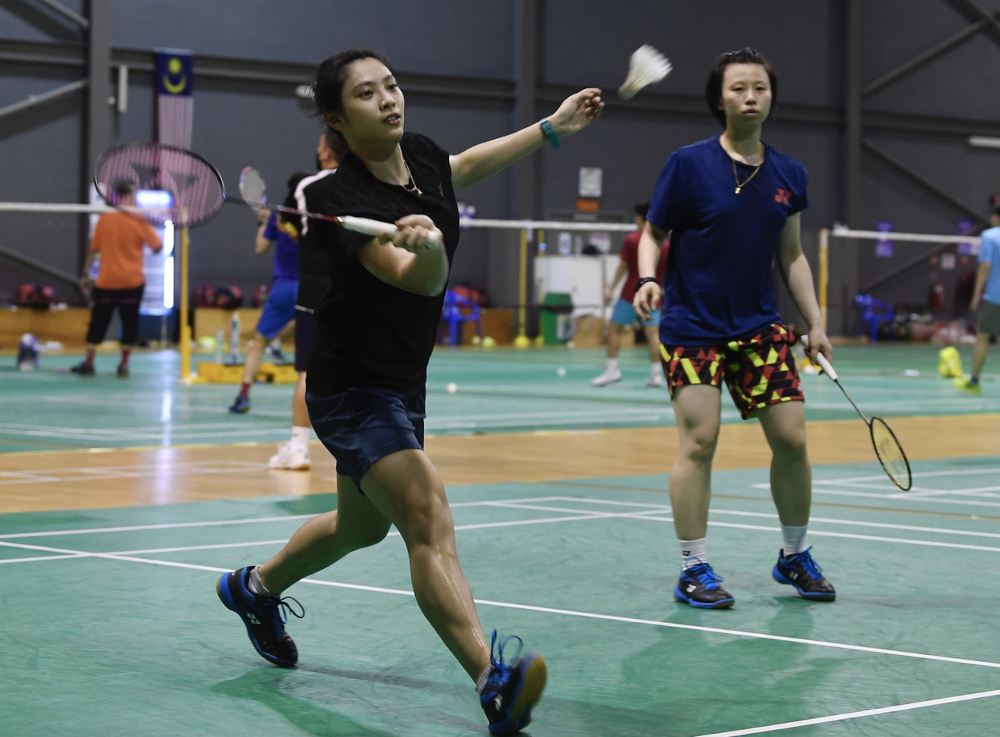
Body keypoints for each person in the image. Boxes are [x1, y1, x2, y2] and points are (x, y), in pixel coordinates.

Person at [217, 49, 602, 735]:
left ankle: (254, 588)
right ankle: (492, 680)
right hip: (351, 388)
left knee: (360, 527)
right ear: (337, 118)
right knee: (427, 514)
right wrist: (428, 250)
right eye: (367, 94)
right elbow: (416, 280)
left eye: (391, 86)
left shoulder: (420, 155)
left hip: (402, 381)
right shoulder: (335, 199)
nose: (389, 99)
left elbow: (465, 167)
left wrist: (552, 128)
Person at [634, 48, 836, 610]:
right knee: (699, 442)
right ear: (719, 100)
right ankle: (693, 568)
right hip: (692, 328)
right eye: (738, 89)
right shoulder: (687, 164)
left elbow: (791, 255)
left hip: (759, 327)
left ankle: (794, 554)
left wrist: (816, 323)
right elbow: (653, 233)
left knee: (792, 440)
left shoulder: (790, 174)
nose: (750, 97)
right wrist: (647, 278)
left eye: (760, 88)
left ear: (771, 97)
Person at [264, 131, 346, 469]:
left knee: (308, 373)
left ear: (327, 151)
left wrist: (285, 226)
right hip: (360, 293)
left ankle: (298, 448)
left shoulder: (306, 187)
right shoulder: (371, 183)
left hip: (316, 292)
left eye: (320, 144)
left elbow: (292, 227)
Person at [229, 172, 309, 414]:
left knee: (258, 343)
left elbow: (260, 247)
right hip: (311, 287)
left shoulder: (277, 216)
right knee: (313, 343)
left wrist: (263, 222)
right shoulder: (315, 216)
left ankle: (243, 396)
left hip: (283, 287)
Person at [73, 181, 162, 377]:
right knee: (129, 324)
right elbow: (157, 247)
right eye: (133, 196)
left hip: (107, 282)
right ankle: (124, 365)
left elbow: (92, 251)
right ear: (123, 197)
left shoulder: (105, 219)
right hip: (131, 283)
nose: (136, 200)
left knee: (98, 323)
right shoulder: (139, 220)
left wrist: (85, 275)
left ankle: (89, 362)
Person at [591, 202, 669, 388]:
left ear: (641, 218)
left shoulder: (632, 239)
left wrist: (611, 289)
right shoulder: (665, 244)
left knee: (613, 330)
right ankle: (656, 374)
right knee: (653, 335)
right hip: (653, 296)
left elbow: (622, 266)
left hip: (630, 294)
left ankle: (612, 370)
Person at [955, 204, 1000, 395]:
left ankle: (974, 381)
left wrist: (976, 293)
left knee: (983, 337)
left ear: (996, 217)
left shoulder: (989, 236)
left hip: (995, 297)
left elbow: (985, 266)